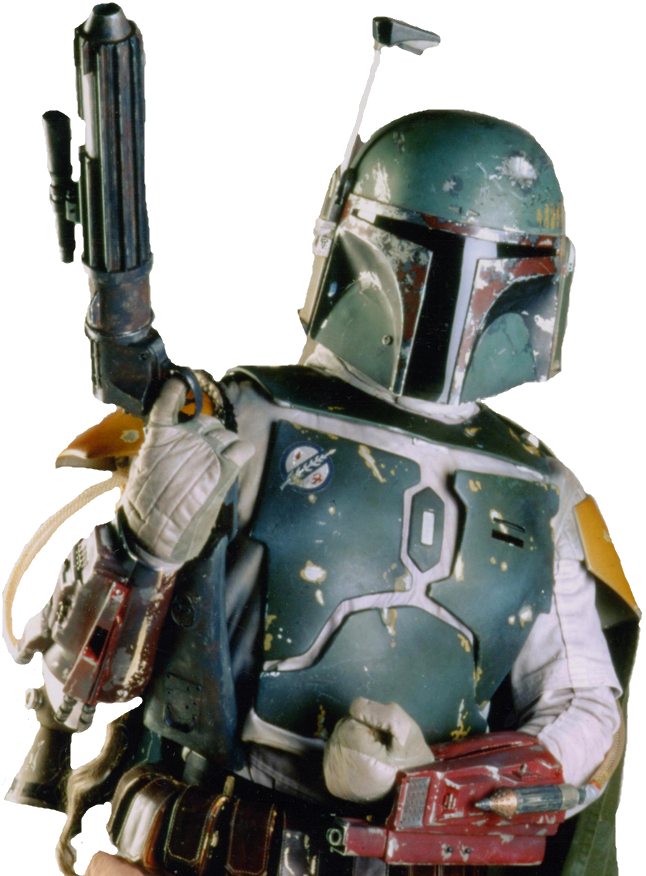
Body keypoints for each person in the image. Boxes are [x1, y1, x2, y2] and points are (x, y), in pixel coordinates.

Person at [10, 109, 637, 876]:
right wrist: (142, 548)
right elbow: (79, 685)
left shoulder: (542, 488)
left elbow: (585, 720)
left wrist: (431, 787)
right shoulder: (242, 416)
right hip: (206, 846)